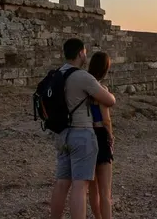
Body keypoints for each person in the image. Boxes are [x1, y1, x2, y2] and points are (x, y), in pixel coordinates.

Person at [49, 39, 117, 219]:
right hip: (81, 134)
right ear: (80, 53)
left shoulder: (58, 74)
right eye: (85, 52)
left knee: (62, 183)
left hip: (62, 133)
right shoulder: (82, 77)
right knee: (80, 185)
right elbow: (109, 101)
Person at [87, 52, 114, 219]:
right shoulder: (101, 90)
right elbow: (106, 120)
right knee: (105, 191)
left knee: (92, 189)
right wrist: (111, 137)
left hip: (85, 134)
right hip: (100, 136)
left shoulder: (84, 88)